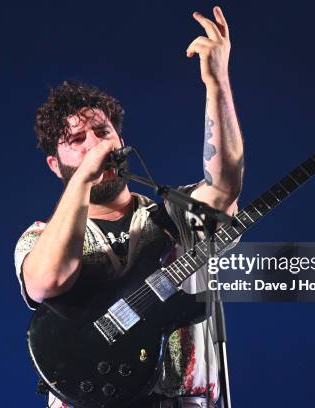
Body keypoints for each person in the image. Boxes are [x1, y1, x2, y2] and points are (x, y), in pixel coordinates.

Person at [14, 6, 244, 408]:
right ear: (55, 164)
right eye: (77, 140)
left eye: (103, 132)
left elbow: (223, 187)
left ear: (120, 140)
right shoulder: (38, 237)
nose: (95, 145)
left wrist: (217, 82)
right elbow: (47, 280)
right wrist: (84, 179)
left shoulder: (174, 214)